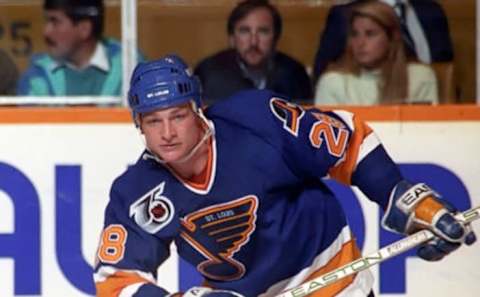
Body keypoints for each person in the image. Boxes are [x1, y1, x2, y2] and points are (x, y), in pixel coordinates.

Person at [93, 55, 476, 297]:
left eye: (177, 115)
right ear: (138, 125)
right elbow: (117, 279)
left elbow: (347, 142)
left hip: (331, 279)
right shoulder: (138, 192)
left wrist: (401, 195)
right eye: (153, 121)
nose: (168, 133)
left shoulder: (256, 121)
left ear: (198, 110)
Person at [314, 0, 438, 106]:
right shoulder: (332, 83)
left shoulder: (420, 78)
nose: (360, 43)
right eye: (354, 34)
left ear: (392, 39)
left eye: (370, 34)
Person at [16, 0, 144, 101]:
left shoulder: (130, 69)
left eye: (54, 22)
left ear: (84, 29)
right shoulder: (36, 77)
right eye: (47, 21)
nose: (46, 32)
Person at [194, 0, 312, 105]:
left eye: (263, 31)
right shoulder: (207, 74)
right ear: (232, 38)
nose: (253, 42)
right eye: (244, 31)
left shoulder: (295, 75)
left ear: (276, 38)